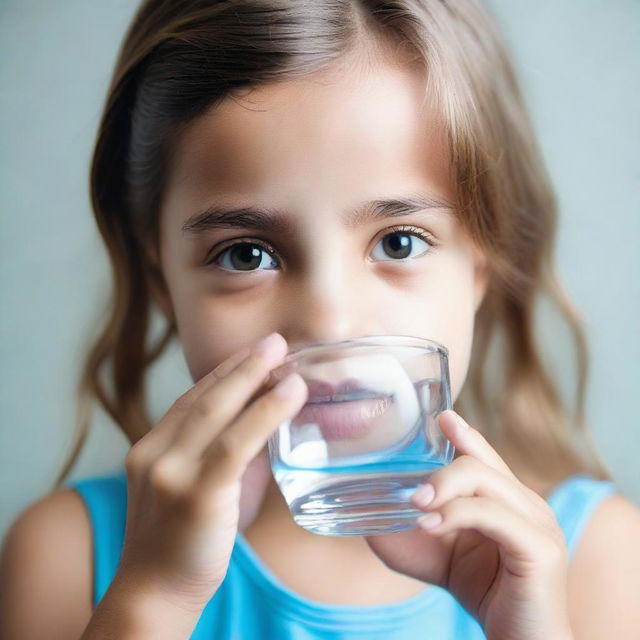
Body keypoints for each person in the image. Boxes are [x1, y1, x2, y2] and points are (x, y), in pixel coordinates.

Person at [1, 1, 639, 638]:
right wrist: (151, 605)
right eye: (246, 254)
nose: (331, 324)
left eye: (400, 242)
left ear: (482, 264)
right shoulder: (70, 558)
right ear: (163, 280)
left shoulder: (597, 563)